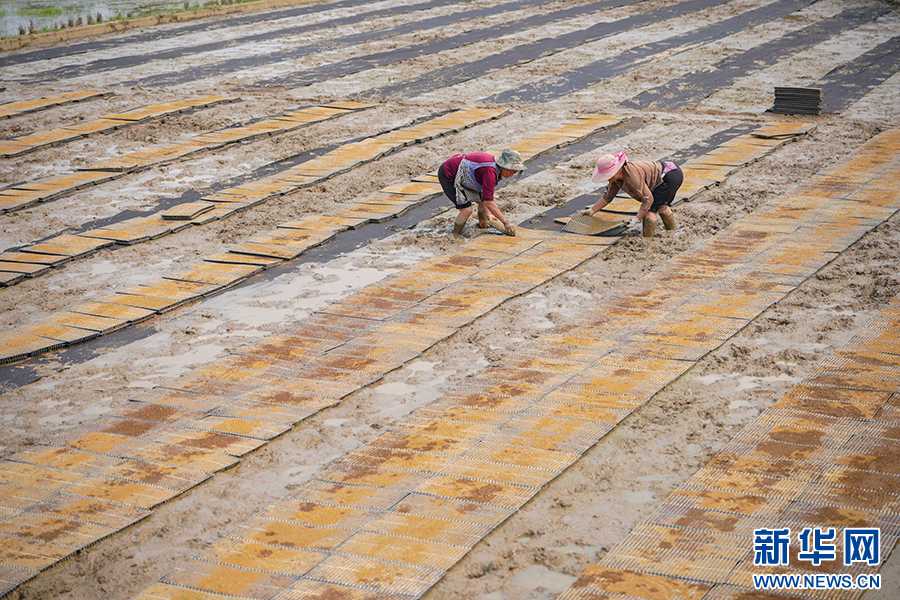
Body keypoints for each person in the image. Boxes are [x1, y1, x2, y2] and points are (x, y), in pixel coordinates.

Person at [582, 151, 683, 238]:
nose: (607, 178)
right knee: (661, 206)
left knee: (649, 210)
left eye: (607, 175)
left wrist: (636, 219)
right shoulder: (616, 179)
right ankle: (671, 232)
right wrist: (592, 210)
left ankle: (647, 240)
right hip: (668, 172)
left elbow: (648, 199)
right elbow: (608, 195)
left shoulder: (632, 177)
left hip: (669, 176)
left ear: (616, 171)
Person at [438, 148, 524, 236]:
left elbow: (485, 195)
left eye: (515, 172)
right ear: (503, 166)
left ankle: (483, 226)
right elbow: (489, 201)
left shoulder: (495, 171)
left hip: (466, 174)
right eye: (511, 171)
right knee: (466, 210)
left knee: (482, 202)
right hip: (449, 173)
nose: (512, 174)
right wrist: (506, 222)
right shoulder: (490, 171)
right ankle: (455, 236)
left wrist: (488, 213)